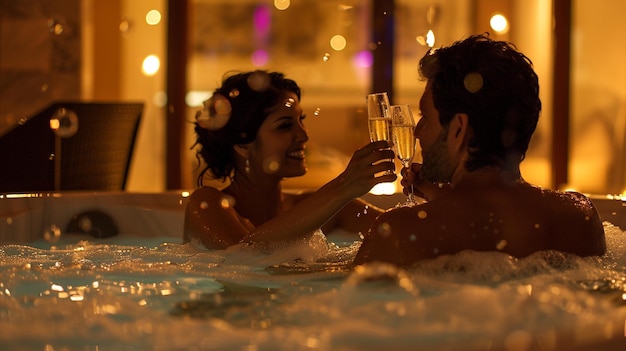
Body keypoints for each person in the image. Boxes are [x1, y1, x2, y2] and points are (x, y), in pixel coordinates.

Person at [354, 34, 606, 266]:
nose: (418, 132)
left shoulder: (401, 232)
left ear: (458, 129)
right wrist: (445, 199)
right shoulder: (578, 219)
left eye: (426, 118)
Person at [183, 70, 396, 250]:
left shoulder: (320, 209)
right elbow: (240, 257)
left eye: (300, 121)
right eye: (285, 125)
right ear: (243, 145)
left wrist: (426, 194)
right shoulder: (206, 204)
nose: (304, 135)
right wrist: (343, 186)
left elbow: (400, 232)